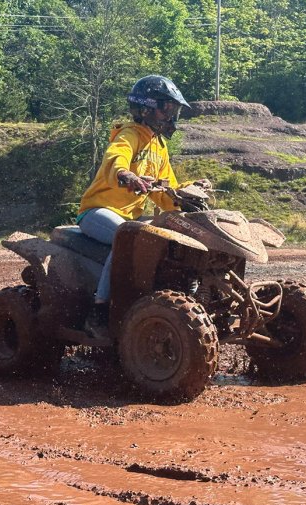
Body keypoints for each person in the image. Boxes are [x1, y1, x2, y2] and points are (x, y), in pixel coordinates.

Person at [76, 75, 209, 338]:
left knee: (166, 239)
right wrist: (125, 174)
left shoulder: (158, 146)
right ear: (146, 108)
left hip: (130, 217)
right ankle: (99, 311)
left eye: (174, 109)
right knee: (129, 237)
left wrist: (190, 191)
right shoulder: (129, 134)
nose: (171, 114)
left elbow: (165, 193)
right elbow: (116, 157)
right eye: (166, 107)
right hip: (97, 211)